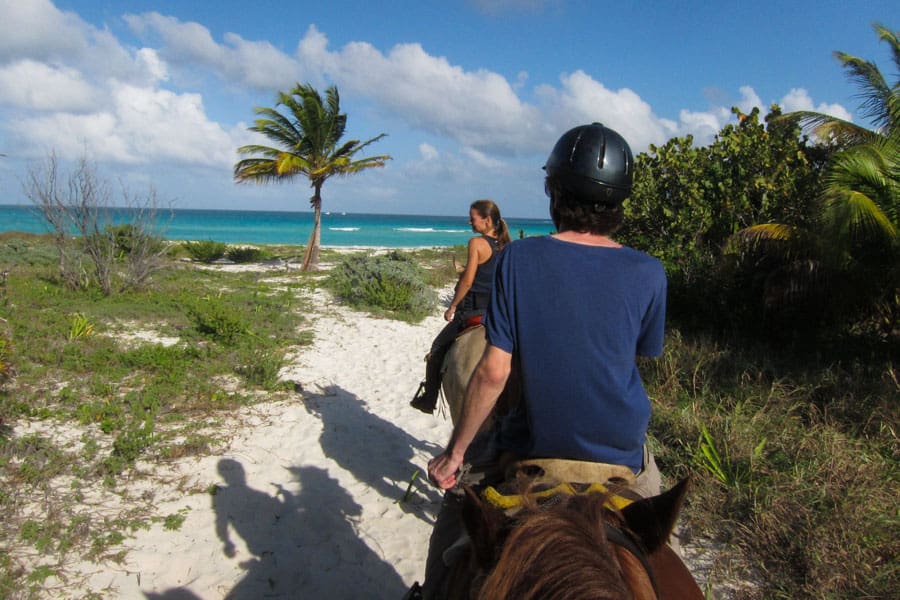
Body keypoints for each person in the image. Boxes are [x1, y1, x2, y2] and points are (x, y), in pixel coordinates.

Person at [417, 123, 668, 599]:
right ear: (619, 204)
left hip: (535, 448)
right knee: (653, 543)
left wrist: (454, 454)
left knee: (454, 517)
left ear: (554, 193)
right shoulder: (650, 271)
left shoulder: (519, 260)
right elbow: (632, 358)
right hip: (621, 455)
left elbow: (494, 372)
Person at [410, 199, 511, 414]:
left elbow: (467, 281)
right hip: (500, 315)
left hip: (475, 312)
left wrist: (452, 307)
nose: (469, 222)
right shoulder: (507, 246)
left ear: (486, 220)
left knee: (437, 348)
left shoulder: (477, 244)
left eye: (473, 218)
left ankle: (429, 399)